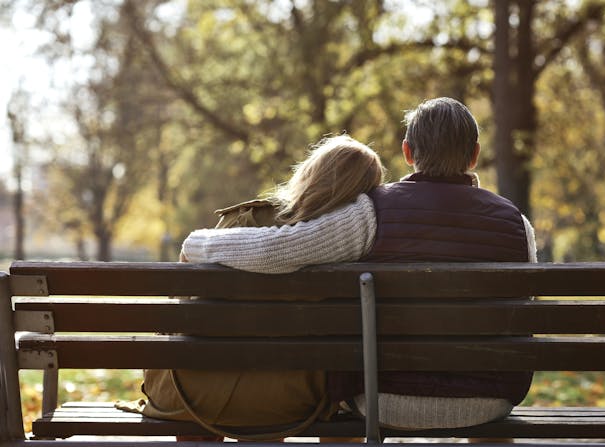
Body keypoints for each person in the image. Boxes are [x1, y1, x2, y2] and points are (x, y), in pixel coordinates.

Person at [182, 97, 537, 431]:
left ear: (408, 152)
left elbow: (275, 251)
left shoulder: (372, 212)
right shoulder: (516, 225)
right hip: (491, 400)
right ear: (474, 155)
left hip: (381, 397)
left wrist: (198, 242)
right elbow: (523, 316)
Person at [125, 135, 384, 442]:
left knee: (213, 389)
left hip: (191, 396)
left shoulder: (242, 222)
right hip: (298, 402)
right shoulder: (356, 244)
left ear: (310, 172)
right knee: (287, 389)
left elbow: (183, 311)